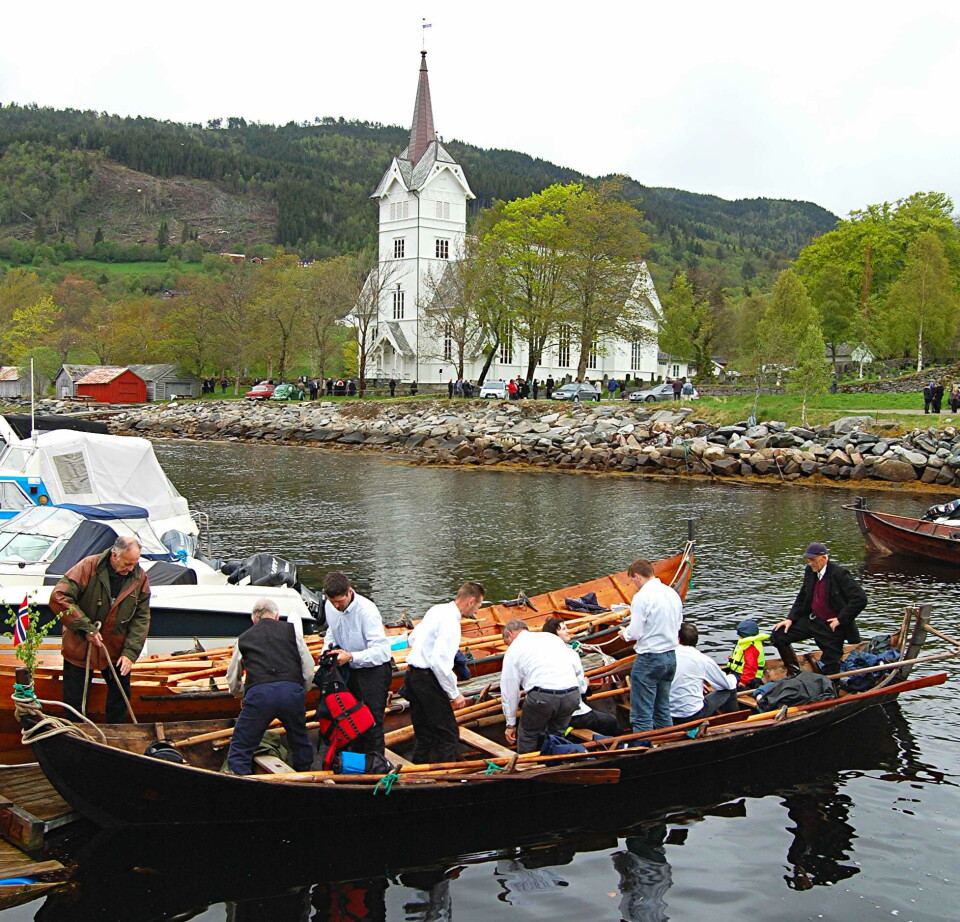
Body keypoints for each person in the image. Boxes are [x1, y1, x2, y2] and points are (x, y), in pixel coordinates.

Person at [50, 536, 150, 723]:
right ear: (114, 555)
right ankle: (75, 736)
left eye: (135, 563)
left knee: (120, 698)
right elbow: (59, 596)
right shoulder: (88, 566)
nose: (131, 568)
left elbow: (141, 618)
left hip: (116, 648)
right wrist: (85, 628)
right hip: (79, 646)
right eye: (127, 563)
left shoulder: (139, 577)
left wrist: (130, 653)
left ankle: (116, 735)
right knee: (75, 701)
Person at [225, 598, 315, 775]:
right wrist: (302, 689)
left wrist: (242, 694)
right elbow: (308, 666)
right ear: (277, 616)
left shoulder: (243, 638)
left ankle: (240, 778)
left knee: (241, 745)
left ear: (253, 620)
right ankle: (305, 775)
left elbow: (232, 677)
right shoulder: (292, 632)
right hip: (291, 691)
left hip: (259, 695)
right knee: (299, 739)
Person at [405, 581, 485, 764]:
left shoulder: (437, 610)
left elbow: (412, 639)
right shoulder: (451, 624)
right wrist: (455, 694)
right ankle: (447, 774)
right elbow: (439, 663)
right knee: (448, 733)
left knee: (424, 732)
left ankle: (416, 771)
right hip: (428, 680)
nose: (477, 612)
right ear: (471, 601)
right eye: (479, 606)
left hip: (412, 677)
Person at [319, 572, 392, 756]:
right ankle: (355, 763)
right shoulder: (330, 606)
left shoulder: (367, 611)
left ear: (349, 592)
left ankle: (376, 764)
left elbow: (382, 652)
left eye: (340, 602)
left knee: (371, 722)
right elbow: (331, 631)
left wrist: (352, 656)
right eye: (332, 601)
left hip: (373, 671)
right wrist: (326, 651)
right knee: (349, 719)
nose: (337, 606)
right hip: (349, 670)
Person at [771, 542, 867, 677]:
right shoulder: (810, 571)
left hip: (831, 627)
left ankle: (830, 690)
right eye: (808, 560)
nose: (810, 563)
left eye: (813, 560)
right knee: (778, 635)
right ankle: (794, 673)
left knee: (831, 668)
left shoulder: (839, 574)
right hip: (812, 620)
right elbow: (803, 594)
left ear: (823, 558)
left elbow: (860, 599)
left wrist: (840, 619)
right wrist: (790, 618)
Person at [619, 558, 683, 732]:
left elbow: (636, 632)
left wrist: (624, 633)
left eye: (632, 580)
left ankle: (643, 747)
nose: (633, 584)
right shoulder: (671, 593)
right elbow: (678, 624)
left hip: (649, 658)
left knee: (642, 713)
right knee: (662, 709)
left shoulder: (642, 597)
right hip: (670, 656)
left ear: (637, 576)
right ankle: (667, 744)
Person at [500, 620, 582, 753]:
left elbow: (510, 691)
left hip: (543, 697)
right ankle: (555, 764)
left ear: (509, 635)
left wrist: (510, 724)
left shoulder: (513, 649)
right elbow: (577, 668)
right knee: (556, 736)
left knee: (528, 734)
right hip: (572, 694)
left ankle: (527, 766)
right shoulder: (551, 638)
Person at [541, 617, 619, 736]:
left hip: (549, 709)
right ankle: (615, 745)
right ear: (555, 635)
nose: (568, 631)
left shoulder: (542, 654)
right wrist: (585, 683)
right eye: (563, 629)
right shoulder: (570, 654)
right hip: (571, 714)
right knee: (610, 721)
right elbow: (581, 688)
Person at [670, 622, 739, 725]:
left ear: (678, 639)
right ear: (696, 642)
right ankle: (735, 723)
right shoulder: (702, 659)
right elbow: (727, 685)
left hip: (668, 714)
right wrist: (733, 677)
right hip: (692, 716)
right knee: (730, 689)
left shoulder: (666, 656)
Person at [726, 618, 769, 689]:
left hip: (749, 679)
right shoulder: (745, 643)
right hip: (740, 674)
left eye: (740, 634)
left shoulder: (751, 647)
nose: (738, 636)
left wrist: (743, 682)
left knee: (726, 688)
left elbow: (751, 667)